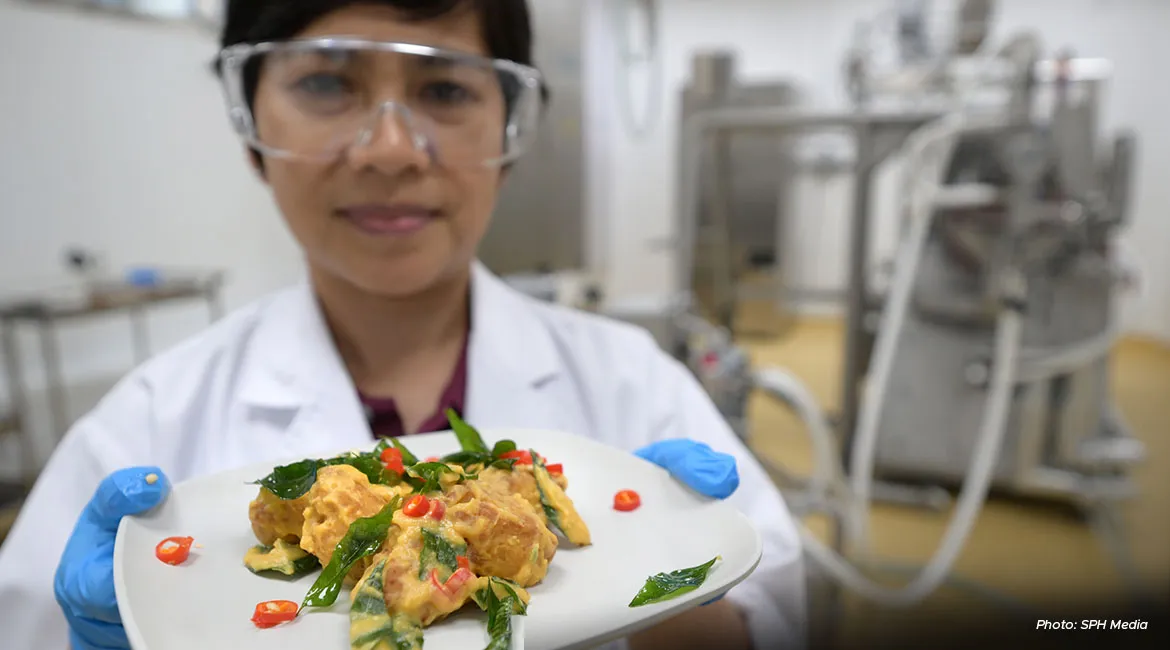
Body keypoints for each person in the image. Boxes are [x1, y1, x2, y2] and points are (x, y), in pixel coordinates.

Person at [0, 1, 807, 649]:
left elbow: (777, 614)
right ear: (250, 128)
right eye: (326, 84)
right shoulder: (148, 421)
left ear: (509, 130)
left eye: (446, 91)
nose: (390, 152)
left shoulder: (632, 385)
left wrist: (672, 581)